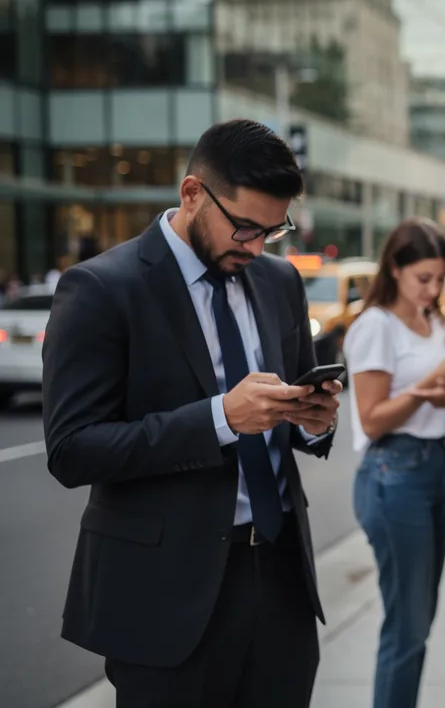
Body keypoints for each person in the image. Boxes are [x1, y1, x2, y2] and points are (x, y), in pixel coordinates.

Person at [42, 119, 341, 707]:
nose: (256, 247)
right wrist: (221, 418)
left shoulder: (280, 282)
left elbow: (298, 413)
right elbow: (72, 449)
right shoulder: (103, 288)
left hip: (281, 580)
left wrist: (313, 421)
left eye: (271, 231)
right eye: (245, 228)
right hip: (165, 593)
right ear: (191, 193)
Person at [343, 218, 445, 708]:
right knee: (406, 626)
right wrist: (429, 385)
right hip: (393, 471)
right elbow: (373, 418)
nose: (433, 288)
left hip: (432, 469)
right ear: (395, 269)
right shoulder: (375, 327)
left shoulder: (436, 324)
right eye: (423, 278)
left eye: (440, 278)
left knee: (420, 620)